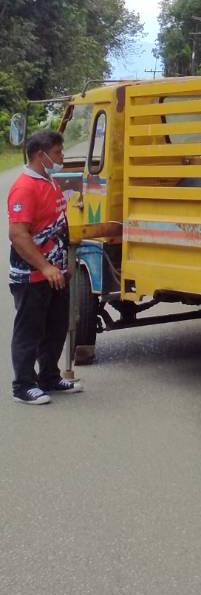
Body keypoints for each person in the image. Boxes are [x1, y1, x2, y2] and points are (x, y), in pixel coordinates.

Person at [8, 127, 81, 403]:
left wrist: (63, 264)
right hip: (32, 276)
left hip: (55, 274)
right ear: (41, 155)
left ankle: (48, 377)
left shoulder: (48, 180)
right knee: (30, 331)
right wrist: (45, 267)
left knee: (55, 327)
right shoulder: (24, 187)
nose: (61, 157)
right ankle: (23, 386)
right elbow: (18, 234)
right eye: (57, 153)